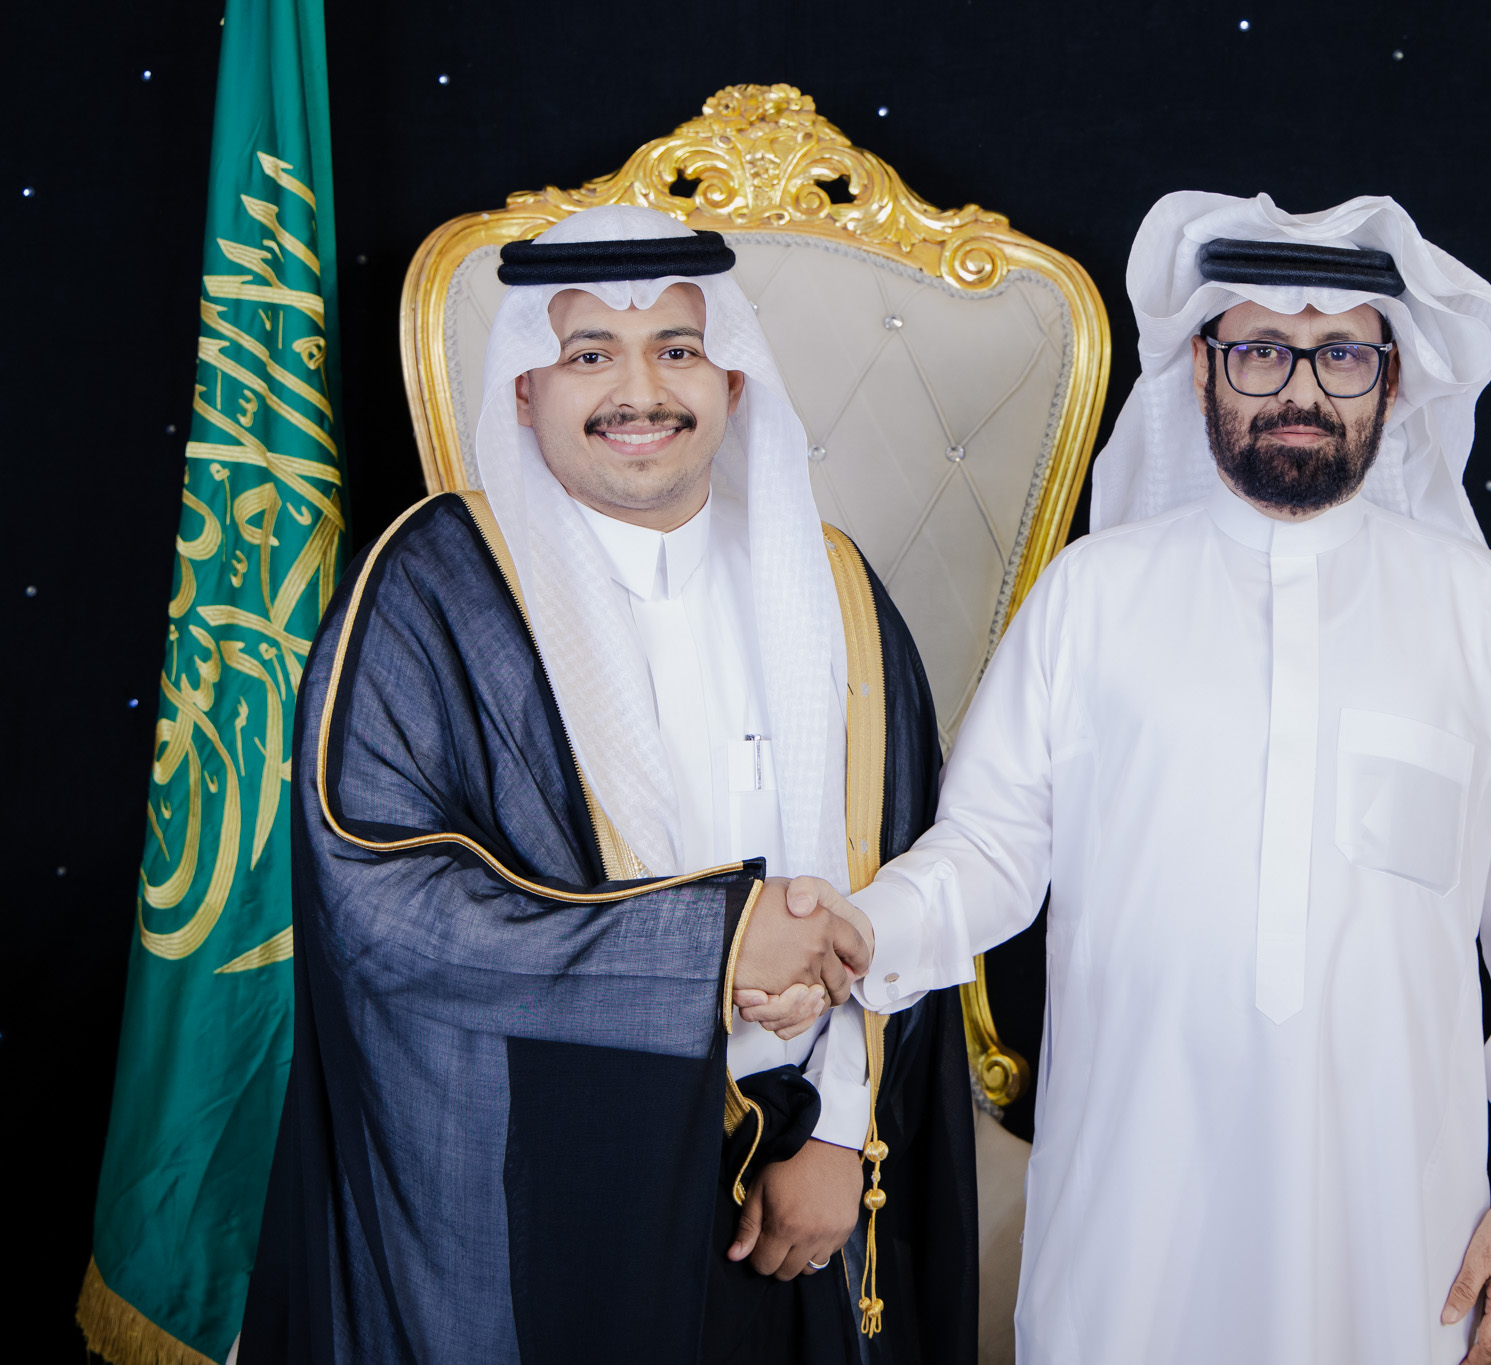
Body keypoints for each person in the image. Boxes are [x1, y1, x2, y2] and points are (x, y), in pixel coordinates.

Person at [753, 191, 1491, 1364]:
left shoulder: (1478, 611)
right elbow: (991, 851)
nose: (1300, 389)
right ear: (1204, 368)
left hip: (1393, 1212)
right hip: (1136, 1196)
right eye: (1261, 350)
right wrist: (860, 930)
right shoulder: (1093, 597)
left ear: (1392, 382)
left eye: (1341, 356)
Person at [242, 205, 975, 1365]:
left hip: (802, 1183)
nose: (641, 392)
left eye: (676, 348)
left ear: (730, 378)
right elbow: (383, 909)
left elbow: (895, 869)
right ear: (524, 390)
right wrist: (710, 949)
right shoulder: (431, 590)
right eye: (590, 355)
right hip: (549, 1176)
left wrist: (842, 1129)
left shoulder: (830, 588)